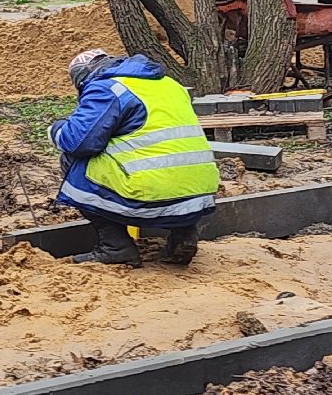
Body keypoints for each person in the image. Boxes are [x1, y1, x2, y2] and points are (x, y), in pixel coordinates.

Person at [49, 49, 220, 267]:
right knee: (168, 163)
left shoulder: (108, 88)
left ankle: (116, 247)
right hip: (199, 195)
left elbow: (79, 142)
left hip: (152, 194)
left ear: (82, 78)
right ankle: (183, 235)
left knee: (74, 160)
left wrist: (56, 129)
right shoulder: (170, 84)